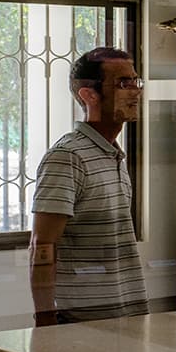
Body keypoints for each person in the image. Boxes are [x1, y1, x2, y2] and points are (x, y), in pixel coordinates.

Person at [29, 47, 149, 326]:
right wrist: (46, 324)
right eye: (123, 83)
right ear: (88, 95)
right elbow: (42, 246)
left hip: (128, 319)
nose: (135, 91)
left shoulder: (113, 154)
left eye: (136, 81)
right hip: (84, 324)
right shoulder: (67, 157)